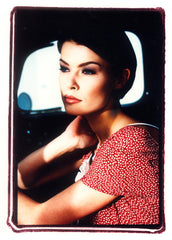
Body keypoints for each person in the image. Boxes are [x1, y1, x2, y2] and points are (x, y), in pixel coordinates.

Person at [17, 25, 159, 226]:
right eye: (64, 68)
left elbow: (34, 218)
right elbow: (23, 179)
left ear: (120, 79)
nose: (70, 83)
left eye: (88, 71)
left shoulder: (129, 145)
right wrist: (65, 141)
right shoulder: (99, 137)